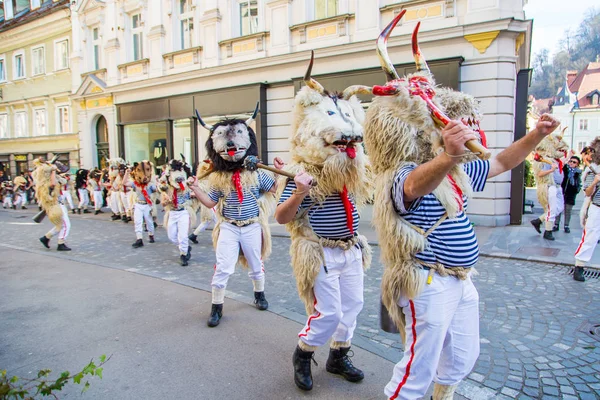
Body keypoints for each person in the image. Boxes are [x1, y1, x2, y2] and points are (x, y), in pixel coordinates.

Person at [363, 14, 561, 400]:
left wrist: (536, 134)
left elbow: (502, 161)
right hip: (427, 281)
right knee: (415, 371)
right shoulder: (401, 172)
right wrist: (448, 157)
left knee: (462, 358)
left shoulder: (455, 170)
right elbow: (413, 186)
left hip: (461, 278)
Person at [275, 54, 372, 392]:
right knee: (327, 313)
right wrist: (299, 191)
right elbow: (282, 217)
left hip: (351, 249)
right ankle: (303, 354)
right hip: (322, 252)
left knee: (353, 307)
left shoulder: (352, 169)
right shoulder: (302, 171)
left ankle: (338, 356)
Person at [190, 107, 277, 328]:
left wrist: (278, 171)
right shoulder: (218, 178)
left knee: (256, 264)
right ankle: (216, 307)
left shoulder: (257, 173)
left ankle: (259, 294)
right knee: (223, 267)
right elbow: (210, 202)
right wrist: (196, 189)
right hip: (228, 227)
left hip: (251, 226)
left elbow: (275, 188)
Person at [574, 138, 600, 282]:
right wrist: (596, 181)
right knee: (590, 237)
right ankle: (579, 266)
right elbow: (588, 192)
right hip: (597, 207)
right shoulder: (593, 171)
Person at [33, 157, 72, 251]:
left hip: (59, 201)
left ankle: (46, 238)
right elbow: (52, 184)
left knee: (61, 225)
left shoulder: (51, 178)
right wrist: (53, 171)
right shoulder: (47, 183)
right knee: (66, 224)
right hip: (56, 203)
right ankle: (61, 243)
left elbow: (62, 182)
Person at [123, 161, 156, 248]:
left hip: (147, 205)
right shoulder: (135, 184)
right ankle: (139, 239)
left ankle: (151, 234)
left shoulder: (150, 185)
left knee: (149, 221)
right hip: (138, 204)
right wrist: (127, 173)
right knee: (138, 221)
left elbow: (157, 190)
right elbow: (124, 183)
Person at [554, 155, 582, 233]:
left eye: (574, 162)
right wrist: (568, 155)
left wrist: (577, 190)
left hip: (571, 194)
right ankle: (556, 224)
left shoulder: (578, 173)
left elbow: (579, 183)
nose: (572, 163)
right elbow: (562, 163)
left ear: (577, 164)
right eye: (571, 161)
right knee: (559, 209)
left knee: (568, 211)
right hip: (562, 192)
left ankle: (566, 226)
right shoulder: (565, 169)